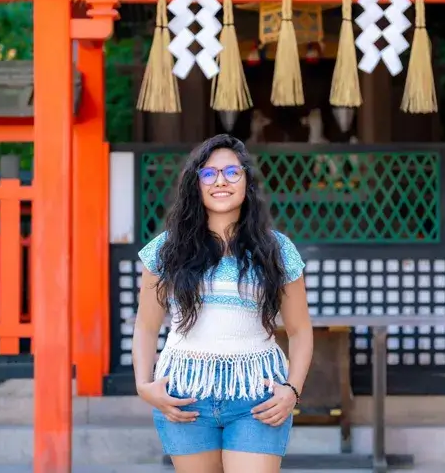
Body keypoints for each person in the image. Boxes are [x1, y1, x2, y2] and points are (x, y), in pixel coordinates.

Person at [132, 134, 314, 473]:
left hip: (256, 397)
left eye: (232, 172)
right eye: (209, 173)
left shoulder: (277, 249)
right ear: (195, 183)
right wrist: (144, 385)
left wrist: (292, 389)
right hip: (185, 395)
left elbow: (300, 330)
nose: (221, 181)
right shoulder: (165, 250)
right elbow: (146, 325)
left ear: (247, 181)